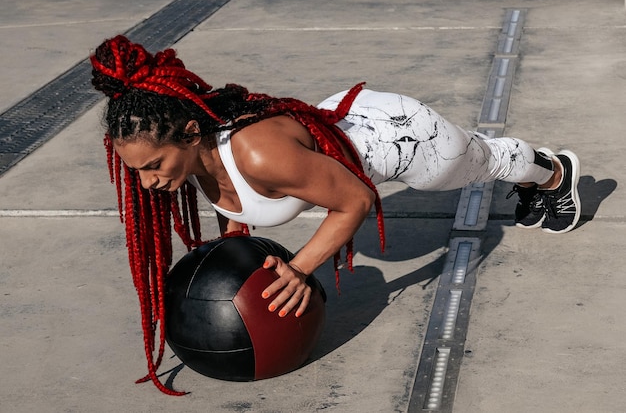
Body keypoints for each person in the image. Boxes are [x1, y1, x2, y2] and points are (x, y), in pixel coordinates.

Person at [90, 35, 580, 394]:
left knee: (481, 161)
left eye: (154, 166)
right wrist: (234, 254)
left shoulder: (260, 157)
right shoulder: (193, 161)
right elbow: (232, 207)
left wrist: (301, 269)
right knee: (477, 161)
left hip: (402, 141)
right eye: (137, 171)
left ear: (191, 133)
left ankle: (555, 173)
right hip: (338, 127)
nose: (149, 182)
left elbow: (356, 201)